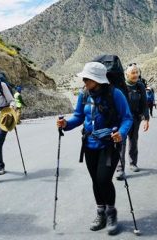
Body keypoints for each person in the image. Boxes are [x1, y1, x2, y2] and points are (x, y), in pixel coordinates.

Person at [57, 62, 133, 235]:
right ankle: (101, 213)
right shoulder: (84, 94)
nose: (84, 81)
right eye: (84, 78)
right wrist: (66, 124)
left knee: (103, 179)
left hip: (109, 144)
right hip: (89, 144)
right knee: (95, 181)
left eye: (87, 78)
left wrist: (121, 133)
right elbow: (78, 116)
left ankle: (111, 213)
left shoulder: (116, 94)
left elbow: (127, 118)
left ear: (97, 80)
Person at [116, 63, 149, 180]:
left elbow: (145, 104)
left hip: (135, 118)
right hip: (122, 119)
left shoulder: (140, 86)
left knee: (133, 141)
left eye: (137, 72)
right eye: (133, 73)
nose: (135, 75)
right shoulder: (121, 86)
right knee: (122, 142)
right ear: (126, 74)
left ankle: (133, 163)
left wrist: (146, 119)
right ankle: (120, 169)